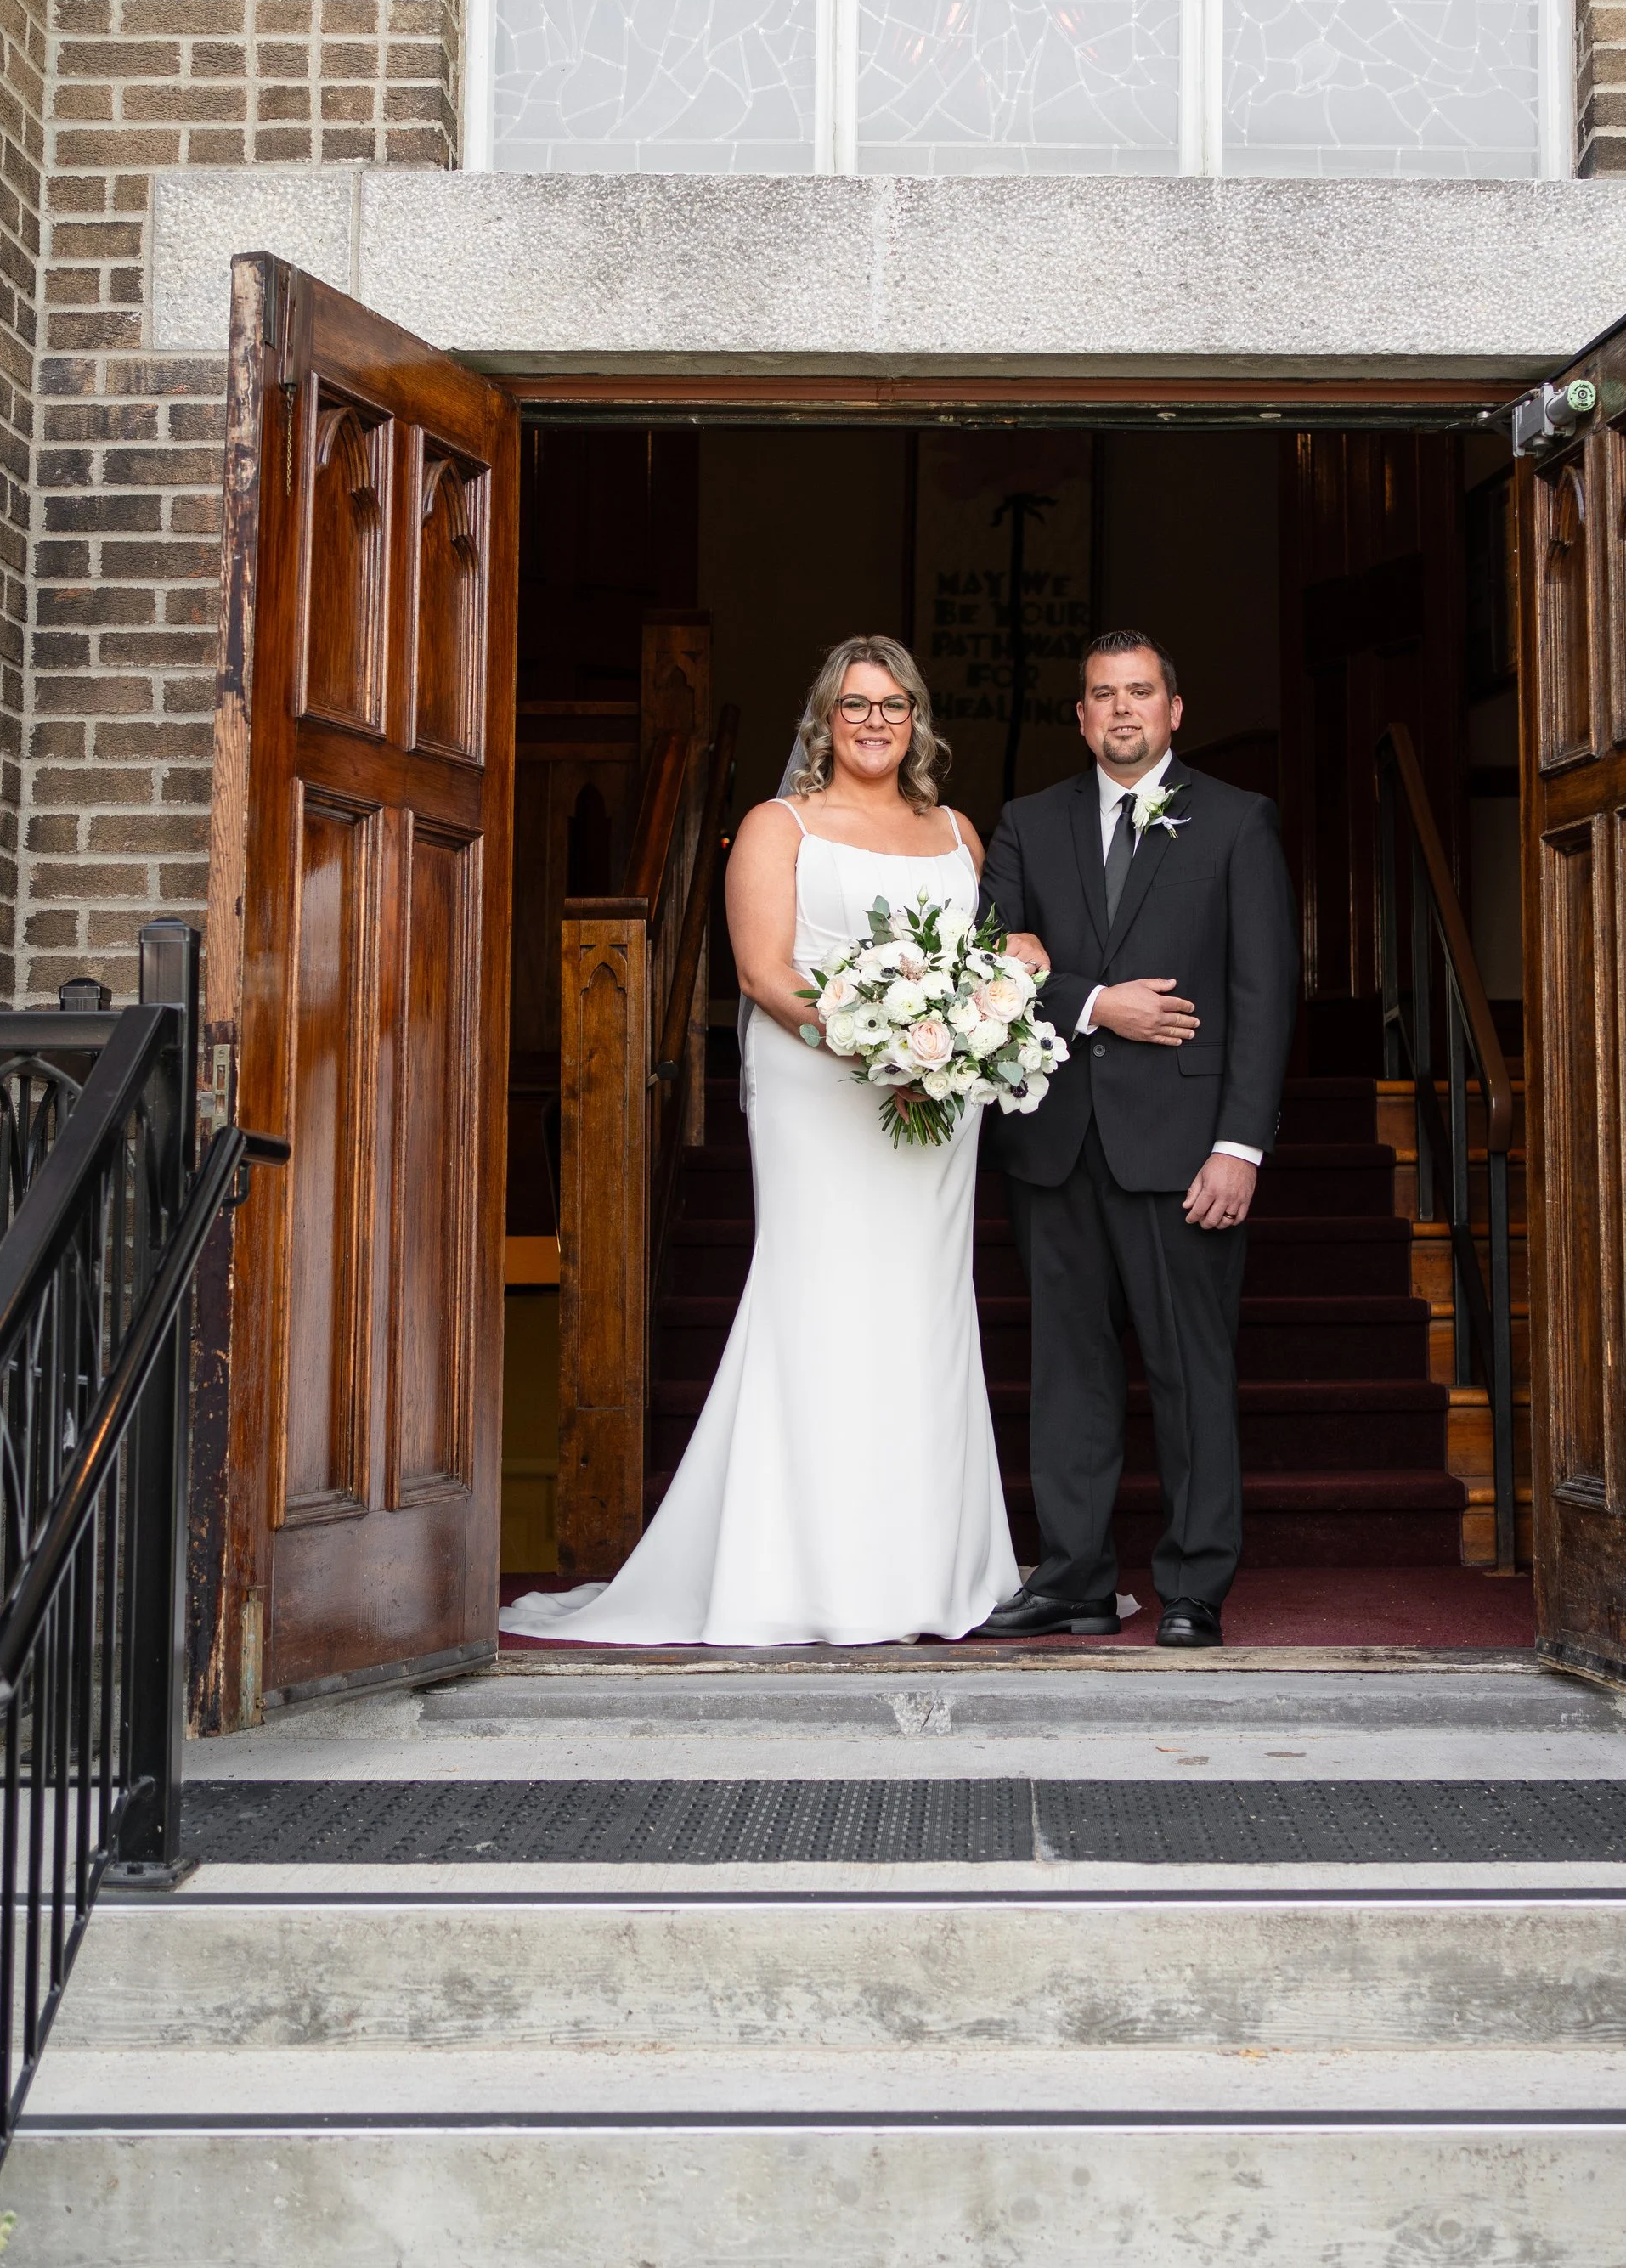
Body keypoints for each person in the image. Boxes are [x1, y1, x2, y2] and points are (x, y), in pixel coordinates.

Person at [503, 637, 1019, 1649]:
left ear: (918, 719)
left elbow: (985, 961)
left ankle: (933, 1565)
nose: (875, 722)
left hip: (936, 1104)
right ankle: (804, 1567)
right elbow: (763, 975)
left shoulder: (957, 830)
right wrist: (876, 1046)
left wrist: (954, 1033)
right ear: (822, 719)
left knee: (925, 1313)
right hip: (822, 1088)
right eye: (854, 705)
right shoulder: (777, 825)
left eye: (894, 705)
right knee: (819, 1306)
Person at [976, 632, 1297, 1649]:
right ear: (1079, 716)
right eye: (1101, 695)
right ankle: (1071, 1577)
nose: (1120, 709)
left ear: (1174, 709)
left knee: (1189, 1370)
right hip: (1056, 1147)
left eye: (1139, 692)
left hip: (1185, 1146)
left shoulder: (1239, 823)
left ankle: (1196, 1585)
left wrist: (1239, 1147)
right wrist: (1094, 1004)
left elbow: (1264, 997)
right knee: (1067, 1371)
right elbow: (988, 959)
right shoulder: (1028, 823)